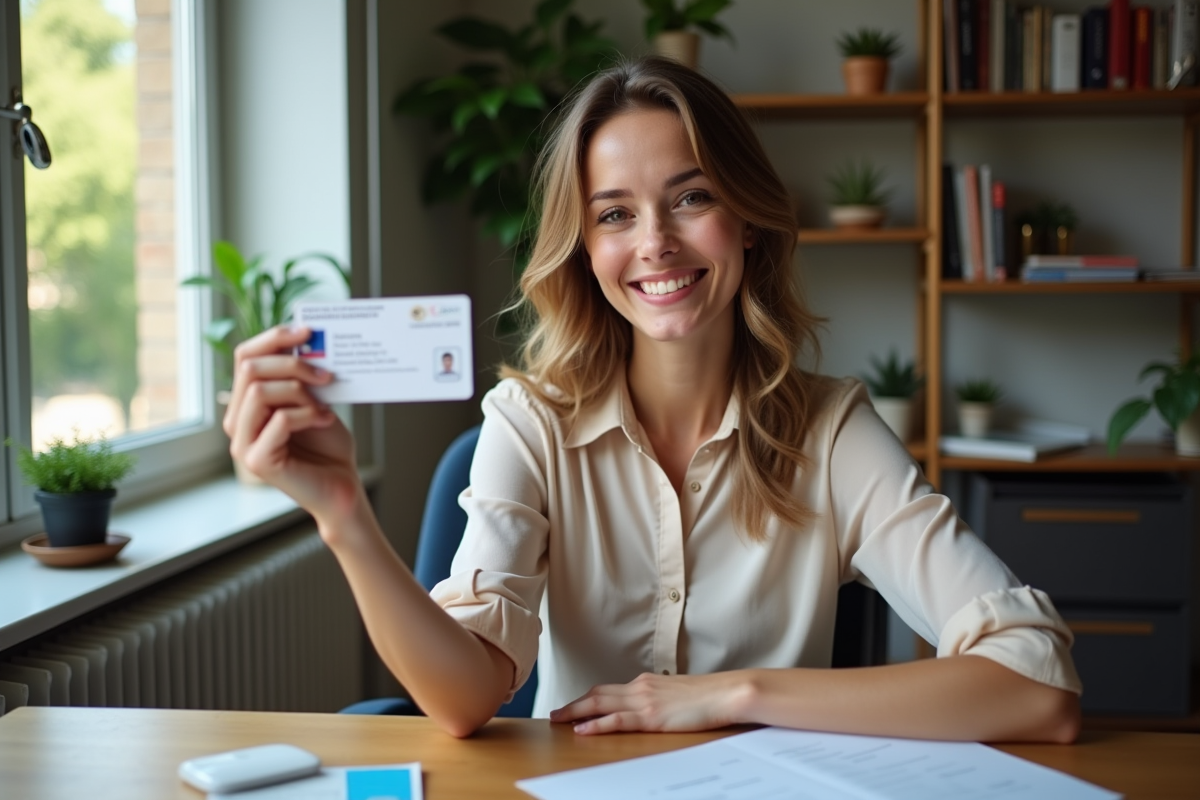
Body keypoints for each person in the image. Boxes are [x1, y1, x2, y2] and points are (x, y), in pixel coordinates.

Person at [224, 57, 1081, 742]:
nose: (656, 244)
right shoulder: (530, 424)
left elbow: (1037, 682)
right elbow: (462, 700)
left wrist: (730, 695)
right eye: (614, 215)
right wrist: (341, 513)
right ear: (583, 248)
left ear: (746, 218)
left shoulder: (831, 428)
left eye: (692, 197)